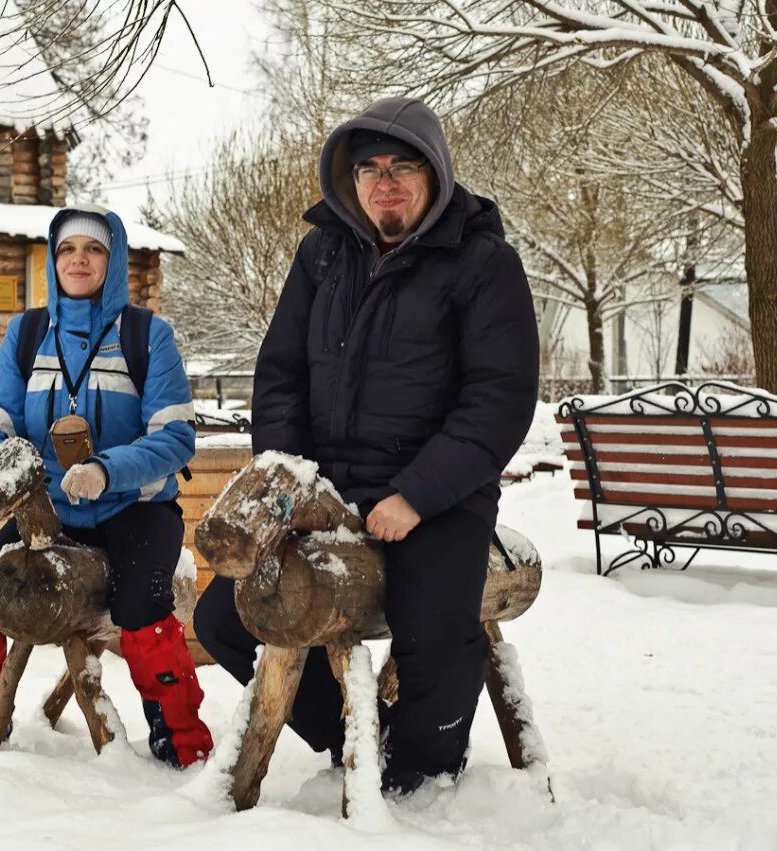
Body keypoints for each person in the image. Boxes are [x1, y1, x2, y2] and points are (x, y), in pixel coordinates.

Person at [193, 96, 539, 794]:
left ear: (434, 174)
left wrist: (416, 493)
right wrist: (294, 486)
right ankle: (352, 731)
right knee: (224, 618)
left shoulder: (482, 262)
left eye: (402, 166)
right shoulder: (322, 253)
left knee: (432, 623)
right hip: (329, 490)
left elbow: (498, 398)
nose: (384, 181)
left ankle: (425, 767)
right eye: (369, 168)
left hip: (438, 496)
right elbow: (282, 373)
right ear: (349, 181)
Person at [0, 205, 213, 768]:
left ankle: (180, 741)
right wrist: (12, 476)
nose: (78, 259)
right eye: (66, 250)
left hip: (134, 509)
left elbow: (176, 438)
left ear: (111, 262)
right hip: (49, 515)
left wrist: (106, 470)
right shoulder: (27, 334)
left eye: (92, 249)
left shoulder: (146, 335)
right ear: (52, 259)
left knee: (141, 608)